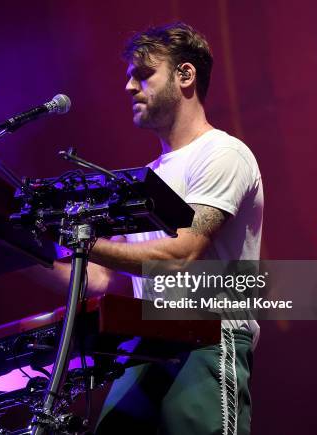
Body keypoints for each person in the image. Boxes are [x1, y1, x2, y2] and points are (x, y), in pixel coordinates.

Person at [33, 22, 263, 435]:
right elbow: (98, 278)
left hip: (209, 337)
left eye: (143, 74)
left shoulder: (223, 154)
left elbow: (182, 257)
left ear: (185, 75)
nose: (128, 87)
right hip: (148, 341)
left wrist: (78, 239)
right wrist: (16, 250)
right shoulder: (145, 178)